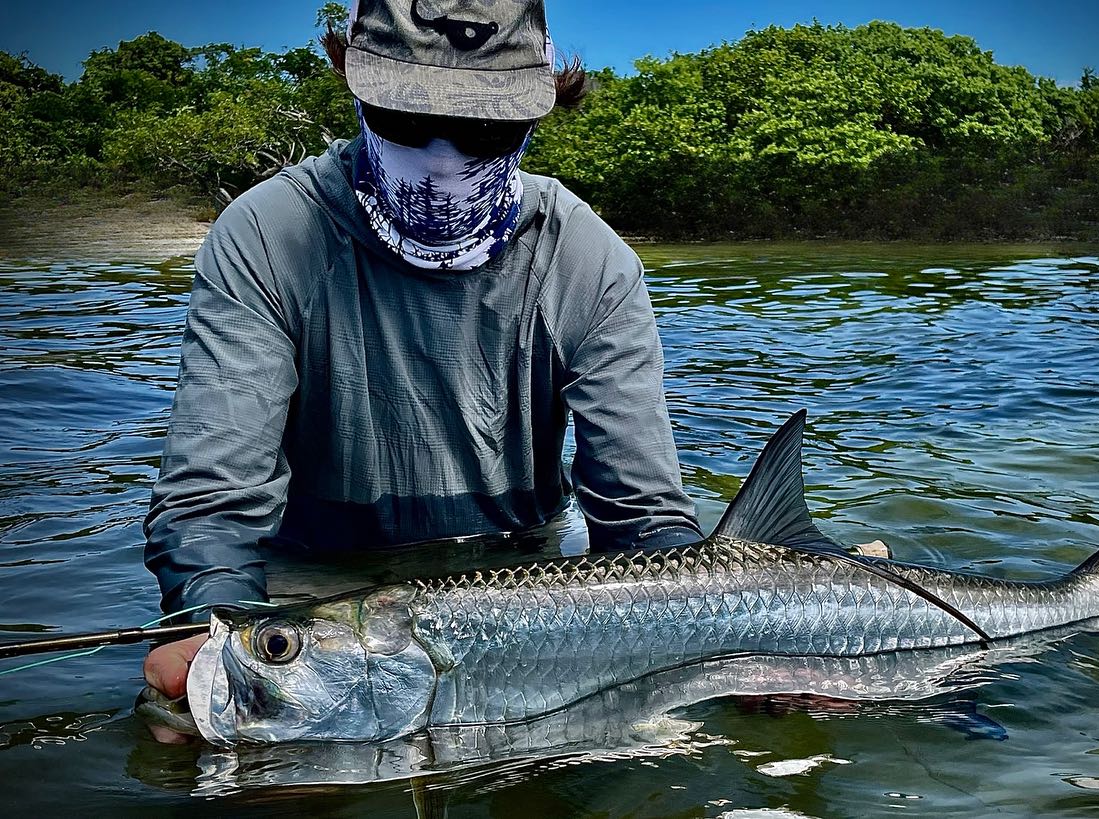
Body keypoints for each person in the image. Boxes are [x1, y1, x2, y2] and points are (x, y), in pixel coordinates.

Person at [141, 0, 702, 738]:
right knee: (246, 762)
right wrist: (216, 624)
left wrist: (731, 633)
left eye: (485, 129)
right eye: (405, 120)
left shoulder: (589, 258)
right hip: (318, 589)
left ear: (540, 109)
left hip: (527, 589)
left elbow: (643, 518)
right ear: (352, 83)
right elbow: (212, 503)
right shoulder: (265, 234)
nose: (442, 156)